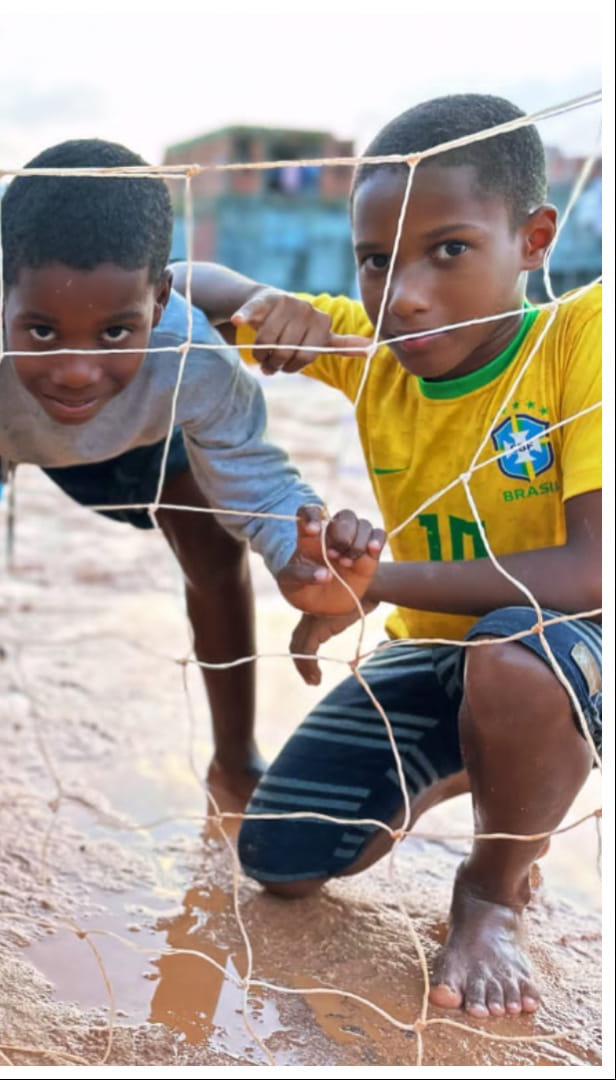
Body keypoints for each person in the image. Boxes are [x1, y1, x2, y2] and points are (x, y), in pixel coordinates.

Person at [0, 138, 385, 818]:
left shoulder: (192, 355)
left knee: (212, 538)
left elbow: (257, 480)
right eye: (44, 330)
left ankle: (234, 757)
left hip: (128, 436)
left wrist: (300, 553)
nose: (77, 370)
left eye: (115, 331)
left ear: (162, 300)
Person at [175, 94, 601, 1019]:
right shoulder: (374, 353)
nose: (403, 291)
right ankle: (481, 757)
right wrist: (256, 303)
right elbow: (175, 274)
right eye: (376, 260)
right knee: (280, 858)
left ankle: (493, 888)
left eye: (448, 249)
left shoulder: (581, 339)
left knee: (514, 661)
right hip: (440, 651)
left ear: (534, 240)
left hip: (572, 656)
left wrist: (371, 588)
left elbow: (592, 573)